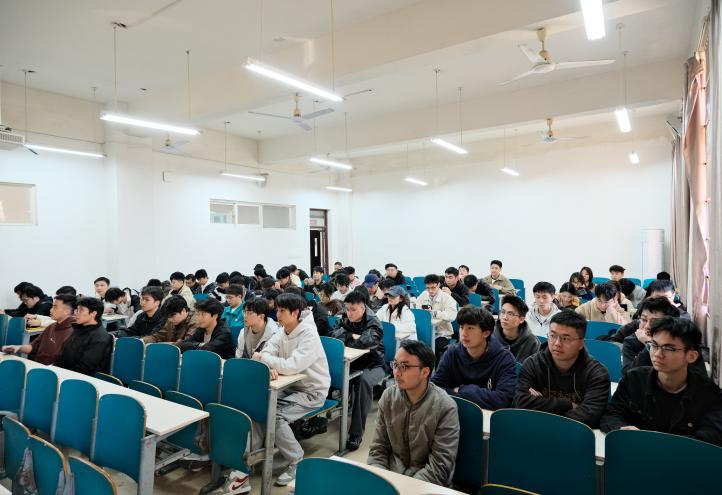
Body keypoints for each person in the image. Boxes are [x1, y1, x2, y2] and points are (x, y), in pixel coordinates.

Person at [601, 317, 722, 446]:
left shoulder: (709, 395)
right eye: (654, 345)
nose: (658, 354)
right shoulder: (634, 379)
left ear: (691, 356)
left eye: (669, 348)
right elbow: (611, 415)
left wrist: (657, 442)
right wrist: (621, 429)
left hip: (683, 457)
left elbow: (711, 437)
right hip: (636, 452)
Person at [253, 293, 331, 486]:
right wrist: (269, 363)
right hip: (288, 386)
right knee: (256, 406)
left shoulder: (309, 334)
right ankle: (254, 454)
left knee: (276, 416)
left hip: (311, 391)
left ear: (295, 313)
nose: (277, 315)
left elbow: (292, 366)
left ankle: (297, 461)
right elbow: (267, 351)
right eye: (277, 310)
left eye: (282, 311)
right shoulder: (282, 331)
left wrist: (265, 360)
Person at [367, 340, 459, 487]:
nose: (396, 372)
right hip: (391, 479)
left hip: (426, 486)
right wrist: (381, 482)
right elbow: (378, 449)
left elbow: (439, 467)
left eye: (405, 366)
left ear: (425, 372)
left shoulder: (445, 407)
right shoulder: (389, 397)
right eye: (395, 364)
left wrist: (406, 488)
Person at [513, 311, 611, 428]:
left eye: (565, 338)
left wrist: (540, 404)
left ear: (581, 343)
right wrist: (568, 404)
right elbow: (520, 402)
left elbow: (589, 416)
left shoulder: (596, 373)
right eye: (553, 336)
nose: (557, 343)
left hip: (575, 434)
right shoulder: (533, 364)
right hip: (535, 430)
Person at [431, 305, 517, 410]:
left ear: (486, 333)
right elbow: (436, 388)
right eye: (462, 327)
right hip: (456, 412)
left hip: (490, 416)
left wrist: (463, 390)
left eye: (470, 328)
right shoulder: (452, 353)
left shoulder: (504, 359)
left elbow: (504, 399)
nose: (464, 333)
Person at [331, 290, 386, 450]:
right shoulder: (345, 316)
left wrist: (348, 336)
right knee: (329, 373)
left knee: (362, 382)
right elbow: (333, 335)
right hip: (352, 362)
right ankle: (318, 422)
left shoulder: (374, 322)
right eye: (347, 309)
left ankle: (356, 434)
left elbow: (365, 342)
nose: (349, 313)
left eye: (353, 310)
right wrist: (352, 336)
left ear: (363, 308)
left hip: (373, 364)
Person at [2, 294, 76, 365]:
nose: (51, 310)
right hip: (38, 365)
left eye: (55, 307)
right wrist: (18, 348)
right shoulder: (52, 326)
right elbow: (33, 347)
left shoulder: (73, 333)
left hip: (51, 370)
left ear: (66, 311)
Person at [55, 297, 113, 375]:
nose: (76, 313)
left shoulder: (100, 338)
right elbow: (63, 356)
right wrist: (55, 369)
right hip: (65, 372)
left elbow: (85, 368)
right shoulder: (79, 329)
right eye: (77, 310)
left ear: (93, 314)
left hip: (81, 377)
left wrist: (61, 374)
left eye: (81, 310)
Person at [621, 296, 680, 373]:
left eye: (654, 322)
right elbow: (628, 374)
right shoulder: (631, 342)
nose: (647, 326)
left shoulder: (676, 341)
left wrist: (651, 343)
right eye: (644, 320)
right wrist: (649, 345)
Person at [415, 274, 458, 364]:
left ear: (438, 285)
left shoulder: (447, 298)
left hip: (442, 333)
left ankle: (436, 369)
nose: (430, 291)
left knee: (432, 347)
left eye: (433, 287)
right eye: (428, 288)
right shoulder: (423, 295)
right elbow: (418, 311)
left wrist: (435, 313)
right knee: (415, 346)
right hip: (426, 331)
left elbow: (452, 316)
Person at [493, 295, 539, 363]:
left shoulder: (532, 342)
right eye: (502, 312)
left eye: (510, 314)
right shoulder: (490, 337)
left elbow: (536, 367)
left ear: (521, 319)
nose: (505, 317)